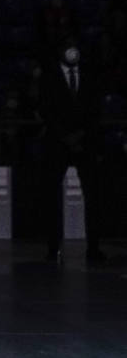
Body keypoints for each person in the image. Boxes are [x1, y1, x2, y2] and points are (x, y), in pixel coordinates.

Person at [37, 39, 108, 264]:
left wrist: (81, 135)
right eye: (67, 45)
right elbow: (45, 108)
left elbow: (95, 109)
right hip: (58, 143)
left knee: (94, 196)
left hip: (85, 143)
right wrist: (65, 136)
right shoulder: (48, 76)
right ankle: (52, 248)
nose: (71, 49)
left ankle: (94, 248)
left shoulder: (90, 74)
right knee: (50, 197)